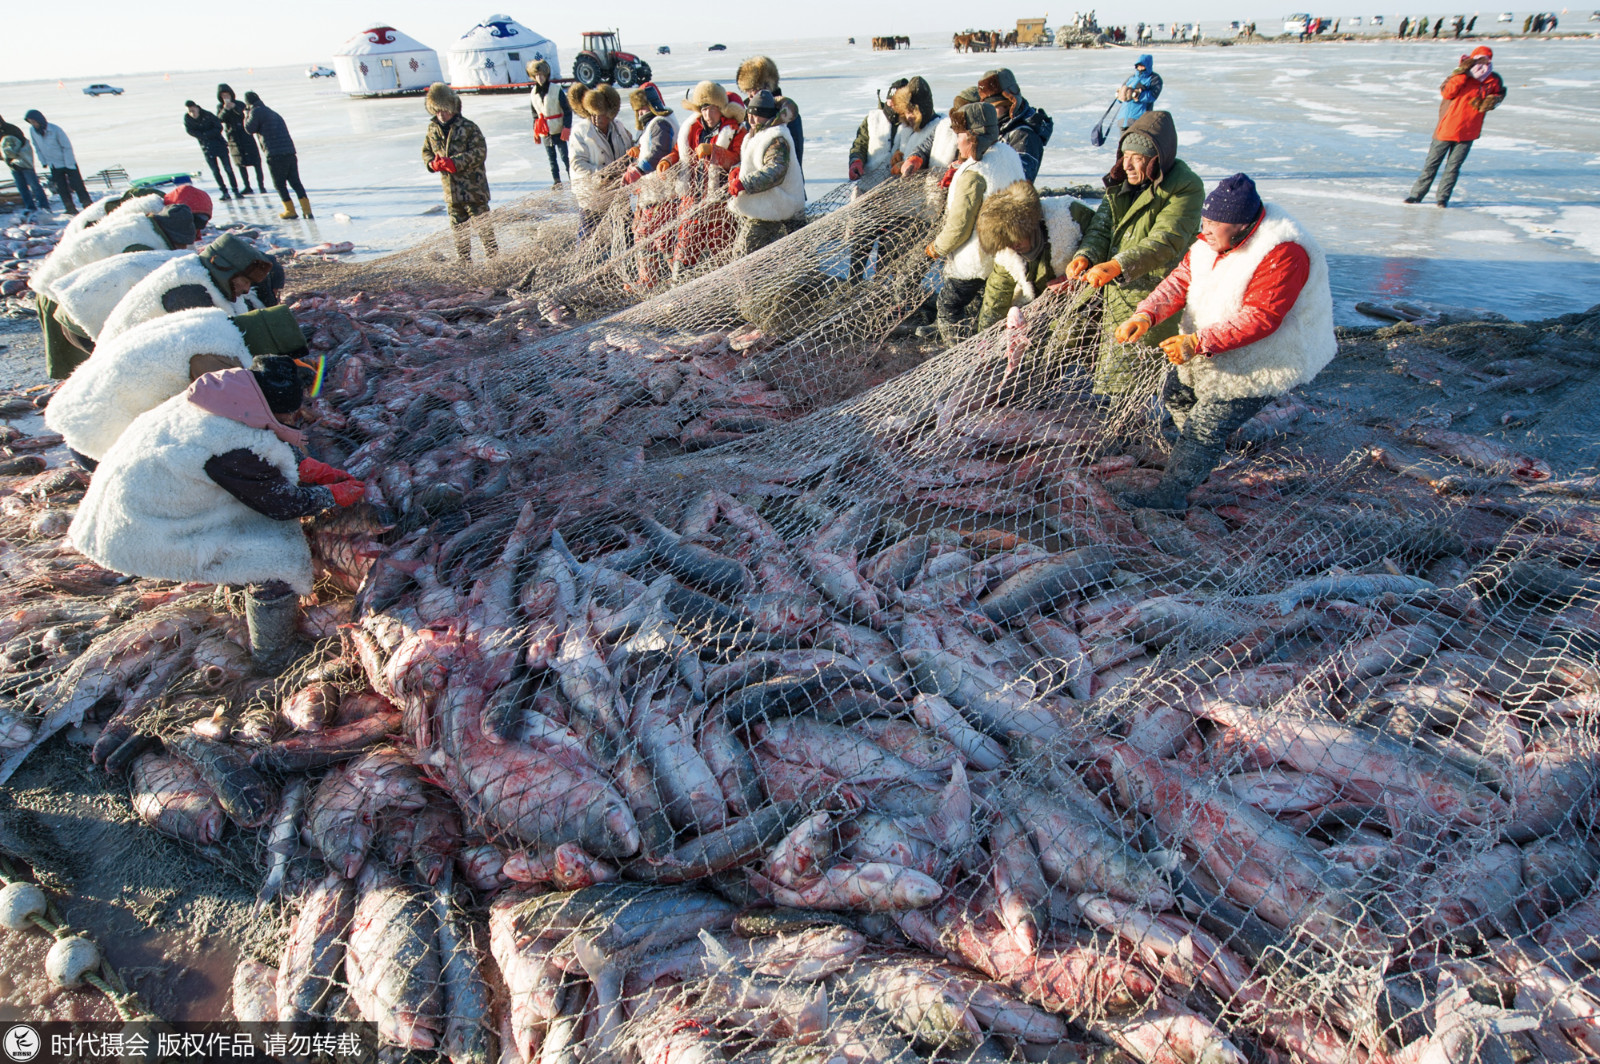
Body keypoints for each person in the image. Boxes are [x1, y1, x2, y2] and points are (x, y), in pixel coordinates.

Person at [69, 360, 364, 673]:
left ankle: (238, 592)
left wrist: (304, 467)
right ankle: (274, 654)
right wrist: (331, 495)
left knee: (256, 528)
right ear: (263, 409)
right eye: (292, 413)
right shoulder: (224, 448)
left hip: (137, 505)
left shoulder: (220, 398)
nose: (298, 418)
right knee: (277, 557)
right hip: (139, 529)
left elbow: (261, 441)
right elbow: (283, 505)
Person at [1111, 174, 1335, 512]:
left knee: (1205, 425)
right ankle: (1196, 459)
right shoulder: (1211, 239)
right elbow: (1180, 279)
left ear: (1244, 226)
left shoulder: (1284, 252)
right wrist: (1146, 315)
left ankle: (1172, 495)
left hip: (1269, 356)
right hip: (1214, 342)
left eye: (1216, 223)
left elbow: (1261, 318)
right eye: (1206, 220)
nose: (1206, 229)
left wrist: (1198, 342)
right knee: (1177, 395)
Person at [47, 304, 306, 467]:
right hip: (95, 427)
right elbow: (239, 419)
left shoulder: (215, 321)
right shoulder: (214, 359)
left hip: (81, 398)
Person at [1056, 111, 1203, 395]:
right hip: (1106, 285)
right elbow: (1102, 226)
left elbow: (1166, 241)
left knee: (1126, 376)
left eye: (1138, 158)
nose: (1128, 165)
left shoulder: (1186, 187)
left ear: (1157, 158)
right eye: (1125, 155)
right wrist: (1085, 255)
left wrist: (1116, 265)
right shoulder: (1122, 183)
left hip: (1149, 291)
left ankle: (1123, 427)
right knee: (1068, 344)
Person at [34, 188, 206, 379]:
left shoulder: (146, 225)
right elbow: (129, 296)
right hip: (61, 292)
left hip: (78, 288)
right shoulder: (138, 246)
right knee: (92, 366)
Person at [919, 102, 1028, 343]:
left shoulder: (974, 173)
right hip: (1007, 252)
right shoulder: (1007, 153)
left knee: (948, 304)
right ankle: (976, 346)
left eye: (959, 136)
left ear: (973, 137)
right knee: (977, 308)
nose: (956, 142)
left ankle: (956, 355)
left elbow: (959, 227)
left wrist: (936, 248)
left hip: (976, 259)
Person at [846, 76, 940, 283]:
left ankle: (881, 287)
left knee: (889, 250)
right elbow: (860, 143)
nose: (894, 108)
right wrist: (856, 160)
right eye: (891, 101)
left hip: (900, 202)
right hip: (869, 193)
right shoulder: (874, 118)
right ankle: (854, 283)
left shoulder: (911, 126)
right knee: (861, 244)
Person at [99, 233, 270, 342]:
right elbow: (209, 344)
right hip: (126, 359)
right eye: (246, 281)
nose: (247, 290)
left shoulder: (202, 274)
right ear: (224, 268)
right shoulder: (190, 292)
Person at [974, 182, 1094, 330]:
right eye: (1007, 243)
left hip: (1084, 304)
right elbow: (995, 298)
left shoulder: (1069, 216)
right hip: (1041, 312)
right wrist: (984, 339)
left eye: (1016, 238)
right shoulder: (1007, 255)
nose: (1013, 246)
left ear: (1031, 226)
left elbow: (1104, 242)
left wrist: (1074, 278)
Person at [659, 82, 745, 279]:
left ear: (721, 110)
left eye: (713, 109)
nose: (708, 114)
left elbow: (738, 157)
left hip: (720, 202)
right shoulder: (693, 129)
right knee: (685, 245)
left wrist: (714, 152)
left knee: (722, 248)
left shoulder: (736, 131)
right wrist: (668, 160)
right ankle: (678, 287)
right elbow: (679, 152)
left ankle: (726, 292)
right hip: (692, 198)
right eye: (704, 109)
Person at [1405, 46, 1505, 208]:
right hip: (1447, 127)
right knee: (1431, 164)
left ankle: (1442, 198)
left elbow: (1499, 94)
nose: (1483, 63)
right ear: (1472, 59)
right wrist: (1462, 73)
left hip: (1469, 130)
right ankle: (1416, 195)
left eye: (1486, 59)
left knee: (1453, 167)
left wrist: (1493, 101)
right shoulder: (1459, 75)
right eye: (1479, 59)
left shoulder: (1493, 79)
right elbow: (1448, 93)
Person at [421, 83, 496, 263]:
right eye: (437, 110)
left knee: (485, 231)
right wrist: (432, 163)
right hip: (451, 194)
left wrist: (455, 163)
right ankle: (465, 264)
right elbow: (426, 151)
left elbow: (480, 152)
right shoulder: (432, 129)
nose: (441, 114)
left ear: (453, 107)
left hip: (474, 191)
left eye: (444, 110)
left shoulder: (469, 127)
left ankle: (494, 260)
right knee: (459, 235)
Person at [728, 90, 806, 257]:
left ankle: (748, 283)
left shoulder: (776, 137)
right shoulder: (759, 133)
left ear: (768, 115)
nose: (752, 119)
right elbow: (758, 161)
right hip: (767, 203)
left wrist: (745, 183)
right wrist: (739, 169)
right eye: (750, 114)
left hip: (777, 206)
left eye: (758, 115)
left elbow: (775, 170)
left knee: (743, 255)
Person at [623, 84, 679, 288]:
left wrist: (639, 169)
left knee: (659, 239)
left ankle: (665, 279)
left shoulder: (659, 123)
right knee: (647, 237)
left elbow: (659, 150)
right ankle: (651, 279)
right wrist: (639, 151)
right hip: (655, 194)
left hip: (660, 194)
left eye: (643, 108)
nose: (640, 113)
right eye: (638, 110)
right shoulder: (657, 123)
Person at [568, 84, 634, 242]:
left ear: (609, 113)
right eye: (592, 114)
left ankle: (630, 260)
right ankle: (583, 262)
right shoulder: (581, 131)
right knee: (587, 234)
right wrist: (602, 174)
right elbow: (577, 163)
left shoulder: (618, 127)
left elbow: (629, 148)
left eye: (600, 114)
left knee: (627, 230)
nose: (596, 118)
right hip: (593, 194)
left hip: (618, 190)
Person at [243, 92, 310, 220]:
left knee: (279, 184)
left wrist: (246, 115)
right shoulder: (271, 111)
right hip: (289, 151)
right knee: (295, 182)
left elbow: (249, 129)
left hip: (275, 153)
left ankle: (290, 210)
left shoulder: (256, 112)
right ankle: (307, 211)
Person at [979, 69, 1053, 183]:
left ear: (1009, 105)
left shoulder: (1023, 135)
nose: (989, 113)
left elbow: (1018, 179)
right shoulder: (997, 128)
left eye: (994, 107)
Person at [735, 56, 804, 164]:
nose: (751, 96)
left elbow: (795, 156)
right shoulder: (749, 115)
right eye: (748, 92)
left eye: (755, 90)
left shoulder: (788, 115)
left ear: (768, 88)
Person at [24, 111, 92, 215]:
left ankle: (87, 204)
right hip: (54, 164)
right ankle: (70, 208)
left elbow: (66, 147)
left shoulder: (55, 130)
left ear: (39, 119)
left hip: (67, 162)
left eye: (34, 121)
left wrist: (69, 164)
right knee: (61, 188)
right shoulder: (33, 131)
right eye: (30, 122)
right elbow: (37, 146)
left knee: (77, 185)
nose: (33, 124)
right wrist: (43, 161)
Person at [527, 60, 572, 188]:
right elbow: (534, 114)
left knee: (565, 157)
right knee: (551, 159)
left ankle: (572, 178)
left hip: (558, 128)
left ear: (546, 75)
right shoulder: (533, 93)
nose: (539, 78)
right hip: (544, 130)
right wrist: (535, 130)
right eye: (536, 76)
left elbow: (567, 110)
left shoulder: (556, 90)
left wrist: (566, 127)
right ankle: (556, 181)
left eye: (541, 75)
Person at [917, 87, 980, 175]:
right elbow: (923, 149)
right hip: (936, 182)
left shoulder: (982, 135)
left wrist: (960, 168)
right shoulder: (944, 126)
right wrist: (915, 159)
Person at [184, 101, 239, 201]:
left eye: (193, 110)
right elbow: (190, 131)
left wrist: (206, 135)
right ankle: (224, 192)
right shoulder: (187, 119)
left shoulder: (207, 115)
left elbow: (219, 127)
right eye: (189, 111)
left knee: (228, 169)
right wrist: (202, 136)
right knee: (215, 171)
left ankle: (235, 190)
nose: (192, 113)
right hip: (207, 148)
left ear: (197, 107)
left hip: (219, 145)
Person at [216, 86, 263, 196]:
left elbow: (245, 115)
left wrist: (235, 108)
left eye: (227, 95)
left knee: (256, 162)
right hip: (233, 138)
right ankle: (247, 186)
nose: (226, 97)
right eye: (223, 96)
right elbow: (219, 120)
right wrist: (225, 110)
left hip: (246, 135)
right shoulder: (220, 106)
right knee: (240, 163)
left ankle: (261, 186)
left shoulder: (240, 103)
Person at [1, 119, 49, 215]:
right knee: (22, 187)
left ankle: (44, 207)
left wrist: (14, 154)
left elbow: (22, 143)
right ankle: (30, 207)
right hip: (12, 164)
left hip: (24, 161)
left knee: (34, 185)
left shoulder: (11, 128)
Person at [1117, 55, 1164, 129]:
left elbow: (1153, 96)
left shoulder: (1154, 78)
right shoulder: (1131, 78)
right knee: (1123, 140)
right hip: (1123, 119)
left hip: (1140, 119)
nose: (1140, 67)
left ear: (1148, 65)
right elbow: (1120, 97)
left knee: (1136, 140)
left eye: (1143, 65)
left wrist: (1137, 95)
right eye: (1139, 65)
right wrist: (1120, 96)